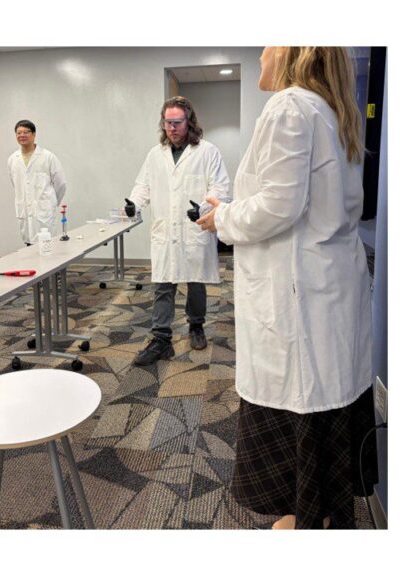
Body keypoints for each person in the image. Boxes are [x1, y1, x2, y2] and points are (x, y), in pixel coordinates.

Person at [196, 47, 376, 530]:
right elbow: (304, 199)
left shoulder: (290, 105)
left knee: (300, 394)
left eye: (270, 41)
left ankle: (307, 515)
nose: (261, 53)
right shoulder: (334, 111)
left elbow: (278, 206)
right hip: (326, 288)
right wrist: (233, 204)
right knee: (324, 397)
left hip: (298, 296)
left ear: (299, 47)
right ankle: (318, 511)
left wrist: (223, 218)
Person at [124, 96, 231, 366]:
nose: (171, 128)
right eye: (167, 123)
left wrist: (205, 208)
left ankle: (196, 325)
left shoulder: (207, 151)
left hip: (194, 227)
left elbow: (220, 188)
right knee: (163, 284)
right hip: (165, 230)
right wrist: (134, 204)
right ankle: (161, 337)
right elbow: (143, 186)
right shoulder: (155, 154)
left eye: (177, 122)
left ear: (189, 122)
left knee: (195, 281)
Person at [8, 120, 67, 246]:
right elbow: (16, 184)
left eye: (26, 132)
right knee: (29, 248)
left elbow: (61, 184)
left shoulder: (47, 157)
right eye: (19, 133)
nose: (22, 135)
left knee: (48, 249)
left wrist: (50, 203)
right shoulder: (13, 159)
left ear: (34, 134)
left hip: (44, 214)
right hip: (25, 212)